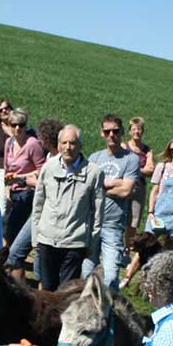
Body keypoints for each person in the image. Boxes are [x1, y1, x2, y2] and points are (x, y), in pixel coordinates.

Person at [32, 125, 104, 291]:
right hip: (47, 240)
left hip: (74, 242)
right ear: (58, 145)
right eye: (64, 143)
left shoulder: (94, 173)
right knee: (48, 290)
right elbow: (38, 204)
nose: (68, 147)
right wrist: (36, 238)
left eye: (72, 143)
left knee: (67, 292)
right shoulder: (48, 167)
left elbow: (97, 213)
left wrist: (91, 244)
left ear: (80, 145)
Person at [5, 117, 62, 285]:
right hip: (39, 213)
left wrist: (30, 182)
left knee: (30, 261)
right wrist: (20, 178)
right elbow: (39, 174)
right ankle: (25, 292)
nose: (39, 140)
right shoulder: (50, 156)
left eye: (41, 137)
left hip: (48, 216)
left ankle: (36, 293)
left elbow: (52, 188)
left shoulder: (59, 160)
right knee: (21, 255)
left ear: (47, 138)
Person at [87, 114, 139, 292]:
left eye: (115, 131)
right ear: (102, 133)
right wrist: (115, 182)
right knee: (86, 275)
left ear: (122, 132)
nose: (111, 135)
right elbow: (87, 188)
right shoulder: (94, 158)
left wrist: (100, 186)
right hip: (91, 223)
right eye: (107, 131)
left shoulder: (131, 159)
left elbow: (126, 191)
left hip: (113, 225)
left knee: (110, 277)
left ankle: (111, 309)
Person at [1, 108, 45, 247]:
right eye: (14, 125)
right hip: (13, 192)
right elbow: (7, 170)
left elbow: (42, 170)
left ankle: (10, 255)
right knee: (8, 228)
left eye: (21, 124)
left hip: (28, 192)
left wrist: (20, 177)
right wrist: (7, 192)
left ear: (26, 126)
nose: (17, 128)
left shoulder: (32, 144)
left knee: (11, 230)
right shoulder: (9, 143)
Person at [122, 116, 154, 239]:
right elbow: (121, 166)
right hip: (123, 186)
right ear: (129, 131)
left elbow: (150, 169)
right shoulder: (124, 146)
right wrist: (141, 170)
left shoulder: (147, 150)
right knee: (119, 218)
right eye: (134, 129)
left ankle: (128, 247)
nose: (136, 132)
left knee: (133, 222)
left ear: (143, 131)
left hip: (139, 189)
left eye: (139, 129)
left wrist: (132, 169)